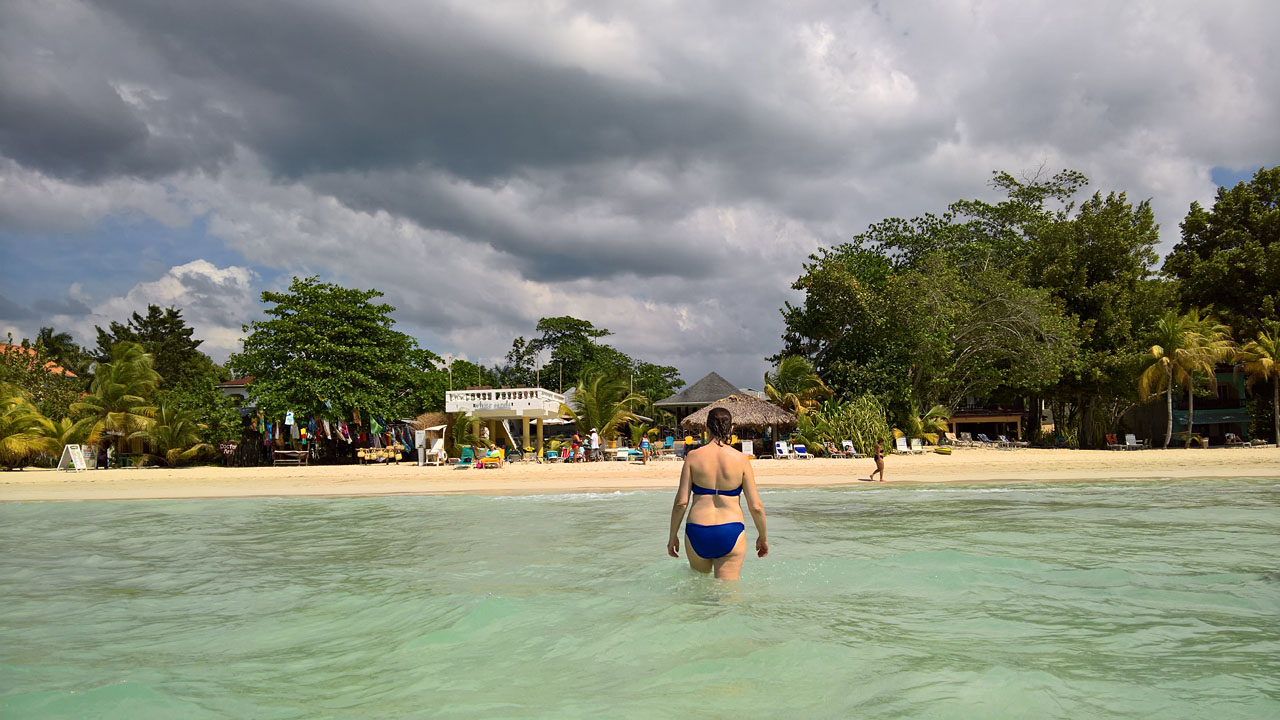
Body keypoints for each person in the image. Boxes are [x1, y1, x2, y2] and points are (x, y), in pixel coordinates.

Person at [667, 408, 768, 580]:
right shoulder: (741, 460)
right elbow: (756, 506)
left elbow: (681, 503)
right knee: (728, 597)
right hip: (731, 530)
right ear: (732, 429)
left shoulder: (693, 457)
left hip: (697, 531)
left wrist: (672, 537)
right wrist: (763, 537)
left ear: (706, 427)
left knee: (700, 594)